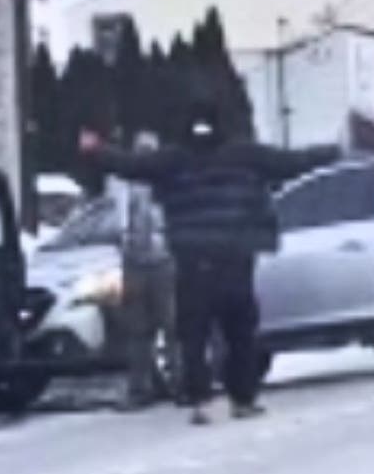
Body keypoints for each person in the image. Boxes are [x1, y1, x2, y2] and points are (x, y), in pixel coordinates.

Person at [81, 115, 339, 425]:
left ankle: (204, 400)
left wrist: (96, 150)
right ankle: (243, 398)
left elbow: (131, 166)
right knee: (240, 331)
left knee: (194, 334)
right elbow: (293, 161)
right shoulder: (246, 155)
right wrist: (334, 151)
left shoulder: (173, 160)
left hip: (193, 260)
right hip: (236, 256)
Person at [111, 130, 179, 410]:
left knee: (172, 325)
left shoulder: (169, 181)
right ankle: (139, 388)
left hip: (163, 261)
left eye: (149, 151)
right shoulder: (123, 183)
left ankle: (180, 383)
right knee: (137, 329)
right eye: (141, 151)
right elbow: (118, 222)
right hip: (135, 262)